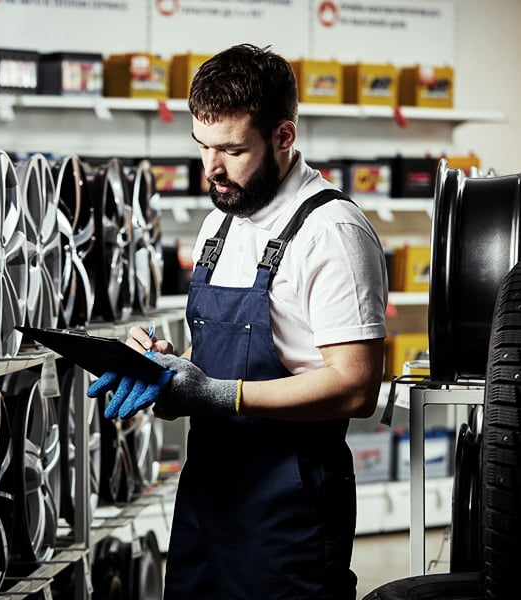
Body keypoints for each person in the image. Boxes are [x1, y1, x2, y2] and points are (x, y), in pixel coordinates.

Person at [88, 44, 388, 599]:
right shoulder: (217, 226)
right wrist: (164, 363)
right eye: (202, 147)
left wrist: (217, 393)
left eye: (231, 149)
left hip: (289, 509)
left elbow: (356, 387)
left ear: (283, 136)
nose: (212, 170)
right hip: (206, 499)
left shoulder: (332, 232)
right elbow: (218, 359)